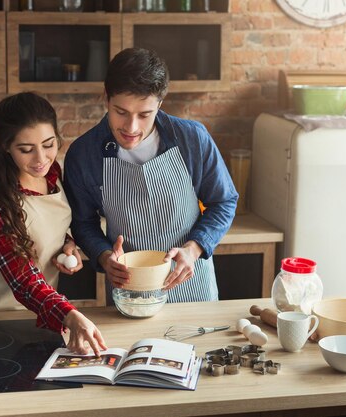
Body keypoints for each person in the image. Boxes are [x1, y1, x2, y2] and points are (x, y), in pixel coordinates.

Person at [63, 48, 238, 303]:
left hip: (192, 285)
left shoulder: (192, 139)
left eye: (144, 114)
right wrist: (103, 256)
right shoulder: (84, 154)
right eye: (120, 112)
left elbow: (223, 201)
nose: (131, 127)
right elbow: (82, 222)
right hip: (128, 292)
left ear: (160, 103)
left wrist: (193, 249)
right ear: (106, 99)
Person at [0, 92, 106, 356]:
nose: (41, 158)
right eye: (26, 150)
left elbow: (48, 225)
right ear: (6, 146)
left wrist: (66, 244)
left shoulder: (53, 174)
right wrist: (69, 314)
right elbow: (23, 280)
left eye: (49, 144)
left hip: (41, 310)